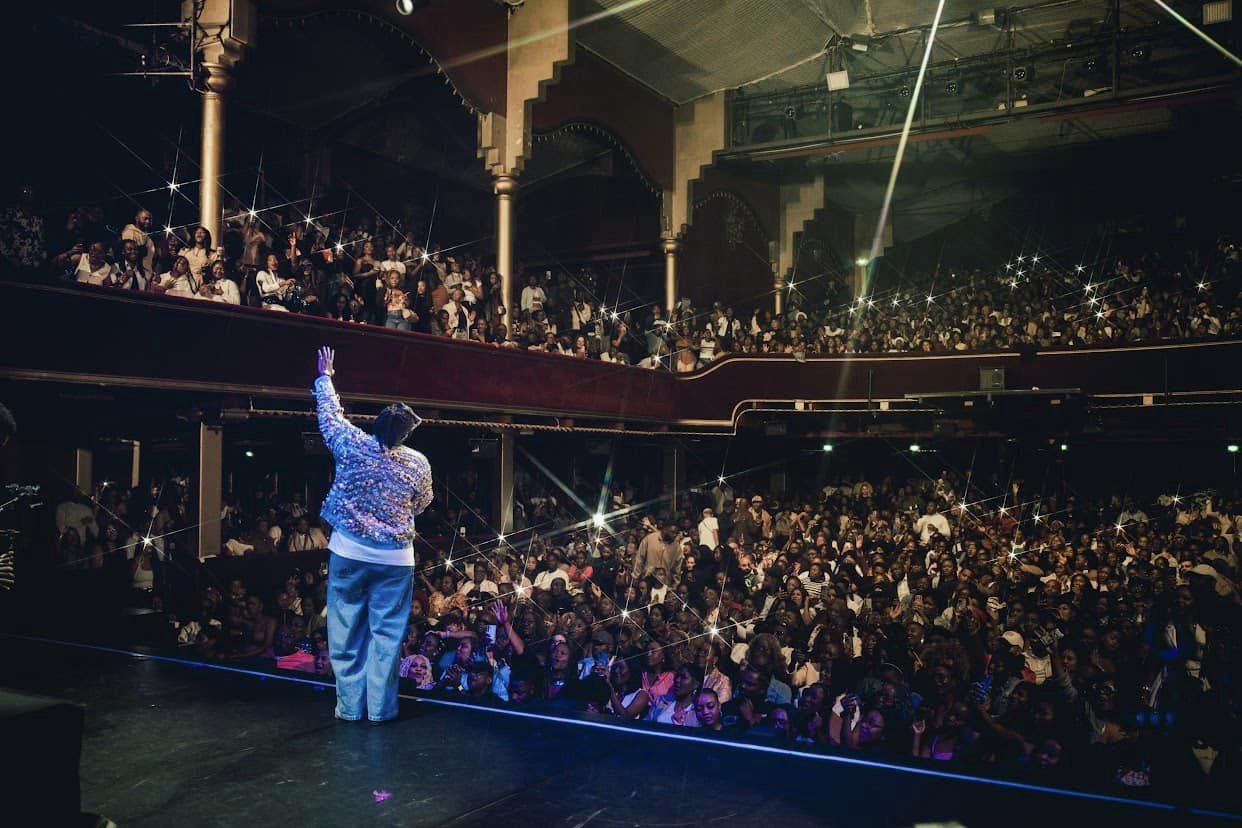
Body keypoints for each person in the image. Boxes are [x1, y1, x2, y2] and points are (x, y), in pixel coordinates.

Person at [314, 346, 433, 724]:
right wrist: (392, 517)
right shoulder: (417, 462)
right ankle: (381, 710)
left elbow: (330, 417)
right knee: (386, 636)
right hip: (396, 558)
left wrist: (325, 377)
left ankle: (350, 708)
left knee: (345, 631)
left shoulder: (351, 444)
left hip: (348, 550)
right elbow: (422, 503)